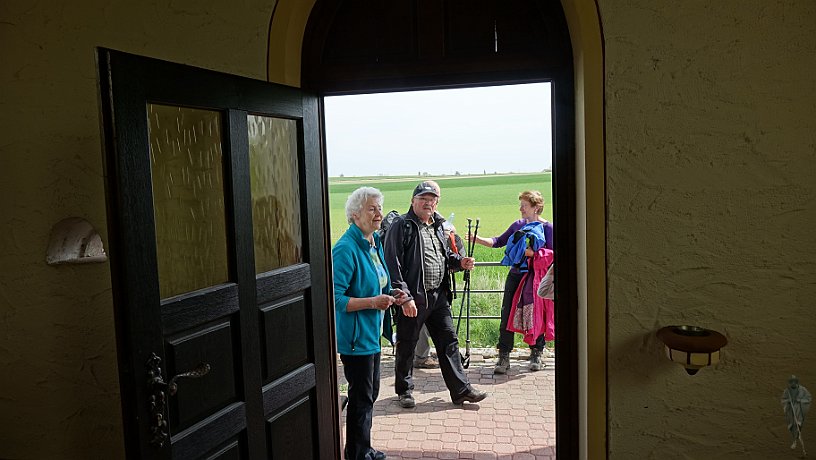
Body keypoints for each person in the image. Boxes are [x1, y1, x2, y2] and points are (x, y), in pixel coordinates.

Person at [384, 180, 487, 408]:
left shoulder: (438, 226)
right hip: (414, 297)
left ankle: (461, 390)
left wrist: (460, 261)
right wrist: (404, 298)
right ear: (413, 201)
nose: (428, 203)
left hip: (438, 296)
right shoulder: (402, 225)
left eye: (432, 200)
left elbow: (444, 257)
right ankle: (404, 391)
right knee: (407, 344)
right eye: (423, 199)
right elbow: (392, 264)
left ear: (437, 202)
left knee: (449, 341)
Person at [333, 186, 408, 460]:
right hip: (355, 338)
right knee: (362, 397)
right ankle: (357, 453)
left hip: (372, 334)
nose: (379, 214)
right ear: (355, 215)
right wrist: (373, 302)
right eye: (372, 209)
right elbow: (337, 299)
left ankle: (362, 448)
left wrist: (392, 296)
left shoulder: (373, 242)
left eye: (379, 208)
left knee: (369, 393)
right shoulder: (345, 249)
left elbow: (379, 282)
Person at [470, 190, 554, 374]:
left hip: (536, 278)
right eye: (521, 205)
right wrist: (477, 240)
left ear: (536, 207)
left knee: (536, 314)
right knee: (507, 312)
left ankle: (537, 353)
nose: (521, 209)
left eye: (524, 205)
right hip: (516, 275)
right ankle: (504, 355)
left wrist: (535, 254)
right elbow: (499, 241)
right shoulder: (518, 225)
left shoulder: (549, 228)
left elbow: (555, 255)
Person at [782, 375, 811, 453]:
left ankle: (796, 439)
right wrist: (788, 401)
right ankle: (794, 439)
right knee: (791, 426)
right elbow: (783, 400)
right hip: (791, 411)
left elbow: (808, 398)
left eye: (794, 382)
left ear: (797, 382)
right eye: (791, 382)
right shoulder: (787, 391)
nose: (793, 384)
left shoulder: (803, 390)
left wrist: (800, 400)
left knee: (798, 424)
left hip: (799, 410)